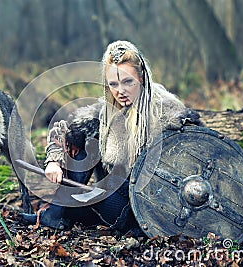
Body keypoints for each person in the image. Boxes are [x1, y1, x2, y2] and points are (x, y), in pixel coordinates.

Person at [19, 40, 203, 236]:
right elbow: (66, 129)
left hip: (145, 205)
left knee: (83, 201)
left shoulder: (165, 110)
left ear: (141, 78)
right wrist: (54, 162)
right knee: (84, 140)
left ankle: (58, 213)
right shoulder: (108, 111)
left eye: (127, 82)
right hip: (112, 193)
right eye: (113, 84)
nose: (120, 91)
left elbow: (197, 148)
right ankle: (55, 214)